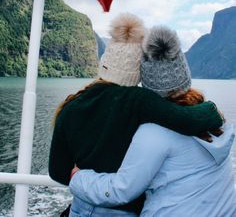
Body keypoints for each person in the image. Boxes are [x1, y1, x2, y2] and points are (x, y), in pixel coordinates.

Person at [49, 15, 223, 217]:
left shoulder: (70, 105)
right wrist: (212, 110)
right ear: (138, 71)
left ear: (105, 61)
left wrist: (79, 175)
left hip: (79, 209)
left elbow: (57, 171)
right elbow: (188, 120)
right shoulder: (139, 101)